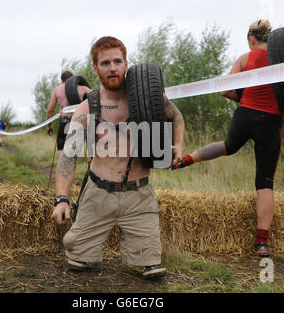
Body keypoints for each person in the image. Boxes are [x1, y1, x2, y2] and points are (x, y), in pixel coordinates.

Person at [172, 20, 284, 257]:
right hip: (271, 121)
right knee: (265, 183)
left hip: (244, 115)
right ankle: (262, 243)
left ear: (251, 38)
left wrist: (243, 100)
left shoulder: (244, 58)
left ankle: (186, 160)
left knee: (228, 146)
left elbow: (224, 89)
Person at [51, 36, 185, 280]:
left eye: (117, 61)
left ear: (126, 63)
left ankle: (142, 249)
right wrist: (62, 199)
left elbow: (176, 117)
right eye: (105, 63)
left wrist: (177, 145)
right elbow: (68, 156)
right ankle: (84, 238)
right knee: (77, 259)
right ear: (95, 68)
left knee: (152, 266)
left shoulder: (147, 98)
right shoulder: (87, 108)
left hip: (139, 197)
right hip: (98, 194)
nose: (112, 68)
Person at [46, 71, 91, 158]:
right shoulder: (83, 88)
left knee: (62, 150)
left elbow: (50, 111)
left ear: (61, 79)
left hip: (64, 121)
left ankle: (63, 169)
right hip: (79, 120)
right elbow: (96, 98)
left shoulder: (56, 90)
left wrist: (49, 126)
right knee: (82, 149)